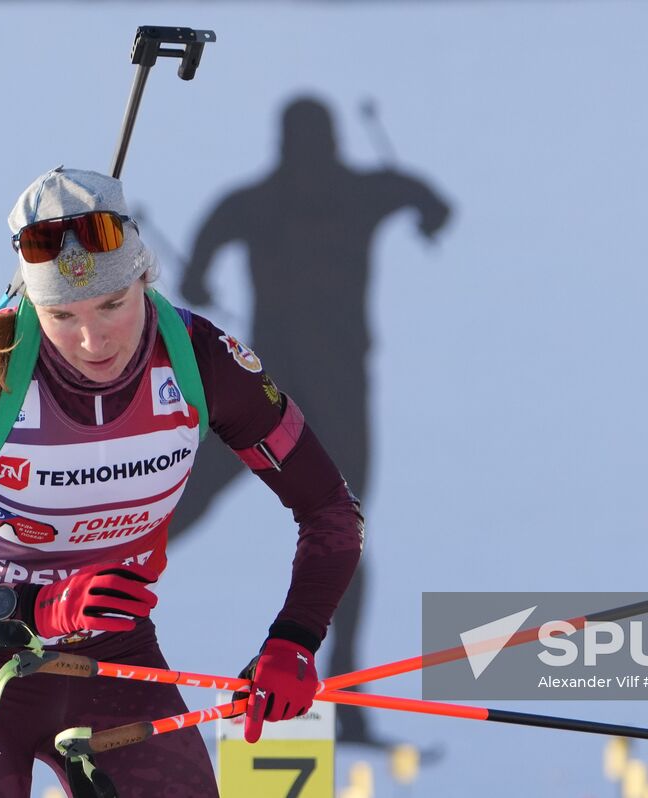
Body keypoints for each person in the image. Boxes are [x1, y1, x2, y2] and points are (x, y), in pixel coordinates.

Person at [0, 166, 364, 796]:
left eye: (113, 304)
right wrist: (35, 606)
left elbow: (331, 513)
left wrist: (295, 641)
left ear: (146, 278)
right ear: (31, 305)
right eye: (61, 315)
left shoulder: (203, 362)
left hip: (111, 654)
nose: (92, 340)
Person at [171, 97, 449, 746]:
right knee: (341, 531)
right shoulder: (360, 192)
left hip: (269, 395)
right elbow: (431, 202)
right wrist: (426, 220)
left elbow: (195, 268)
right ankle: (344, 701)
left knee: (200, 506)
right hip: (319, 392)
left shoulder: (255, 200)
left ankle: (75, 606)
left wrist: (203, 284)